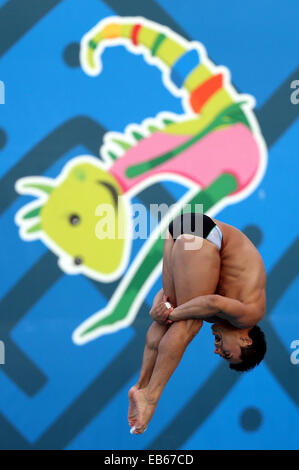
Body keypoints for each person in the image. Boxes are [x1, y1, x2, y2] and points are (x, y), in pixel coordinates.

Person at [128, 212, 267, 434]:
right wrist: (172, 314)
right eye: (227, 353)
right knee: (190, 322)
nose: (216, 349)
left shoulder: (224, 311)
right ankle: (151, 397)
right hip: (204, 232)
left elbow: (167, 295)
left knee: (171, 315)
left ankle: (141, 385)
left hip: (180, 228)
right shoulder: (250, 315)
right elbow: (212, 302)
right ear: (245, 340)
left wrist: (160, 310)